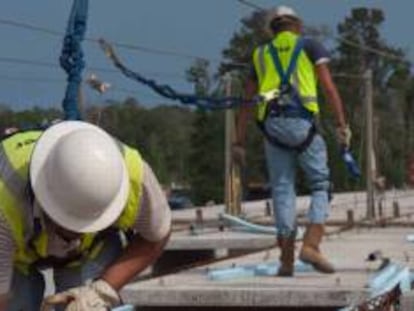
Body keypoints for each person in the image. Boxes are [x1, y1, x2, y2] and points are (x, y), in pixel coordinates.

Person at [0, 120, 171, 310]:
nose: (77, 232)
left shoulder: (135, 178)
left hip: (89, 252)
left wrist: (102, 290)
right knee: (19, 302)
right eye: (70, 223)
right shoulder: (5, 196)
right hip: (14, 256)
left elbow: (157, 236)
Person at [236, 6, 351, 276]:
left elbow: (246, 101)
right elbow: (328, 87)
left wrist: (238, 141)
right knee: (320, 184)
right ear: (297, 26)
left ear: (272, 29)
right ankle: (311, 245)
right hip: (304, 126)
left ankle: (286, 261)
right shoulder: (310, 46)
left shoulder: (260, 53)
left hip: (272, 128)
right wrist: (341, 124)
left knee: (283, 189)